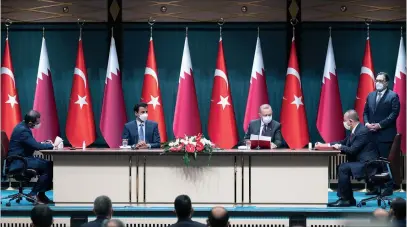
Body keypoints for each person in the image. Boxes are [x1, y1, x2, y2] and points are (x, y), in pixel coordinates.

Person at [316, 109, 378, 207]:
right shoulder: (355, 130)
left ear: (350, 121)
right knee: (342, 167)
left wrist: (340, 147)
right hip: (361, 162)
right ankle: (349, 198)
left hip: (368, 164)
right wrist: (325, 145)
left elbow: (352, 150)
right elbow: (343, 142)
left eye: (345, 121)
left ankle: (345, 199)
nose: (344, 123)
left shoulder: (362, 131)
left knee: (343, 168)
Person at [363, 72, 400, 195]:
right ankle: (375, 188)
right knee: (373, 162)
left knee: (384, 162)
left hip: (385, 135)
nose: (377, 83)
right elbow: (365, 112)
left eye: (380, 80)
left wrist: (379, 125)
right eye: (376, 80)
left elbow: (394, 115)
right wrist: (367, 123)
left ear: (386, 83)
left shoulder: (393, 96)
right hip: (371, 134)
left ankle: (387, 188)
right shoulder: (370, 95)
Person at [7, 110, 55, 204]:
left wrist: (43, 143)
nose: (38, 124)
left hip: (23, 158)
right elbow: (37, 147)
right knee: (48, 166)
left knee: (48, 164)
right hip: (19, 161)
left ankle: (41, 194)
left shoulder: (22, 126)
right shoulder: (23, 130)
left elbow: (31, 144)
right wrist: (53, 145)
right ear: (30, 123)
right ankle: (33, 194)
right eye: (37, 123)